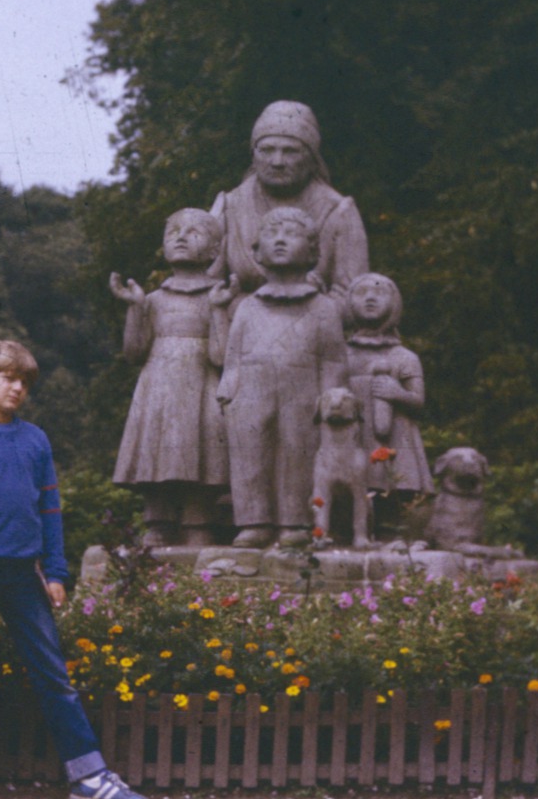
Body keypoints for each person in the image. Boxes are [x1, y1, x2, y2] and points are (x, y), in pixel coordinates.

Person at [0, 339, 151, 799]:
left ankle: (90, 777)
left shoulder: (35, 440)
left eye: (25, 381)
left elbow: (50, 508)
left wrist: (55, 570)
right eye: (8, 378)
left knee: (55, 677)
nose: (18, 388)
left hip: (25, 575)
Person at [216, 207, 349, 549]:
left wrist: (329, 397)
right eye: (272, 234)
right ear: (257, 250)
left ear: (312, 250)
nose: (279, 240)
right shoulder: (247, 306)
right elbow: (233, 353)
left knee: (298, 452)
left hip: (304, 393)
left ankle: (296, 522)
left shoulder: (323, 308)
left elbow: (334, 358)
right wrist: (230, 385)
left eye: (290, 234)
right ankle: (254, 521)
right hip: (250, 390)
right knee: (250, 453)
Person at [109, 207, 232, 547]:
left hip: (202, 386)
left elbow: (221, 356)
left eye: (194, 232)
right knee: (156, 452)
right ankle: (158, 522)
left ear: (214, 250)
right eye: (174, 231)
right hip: (158, 388)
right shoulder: (153, 299)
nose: (180, 236)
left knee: (200, 455)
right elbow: (134, 352)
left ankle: (198, 525)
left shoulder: (219, 296)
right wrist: (135, 308)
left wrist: (220, 310)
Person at [209, 100, 369, 305]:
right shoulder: (230, 207)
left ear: (311, 158)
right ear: (253, 154)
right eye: (266, 150)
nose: (277, 162)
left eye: (290, 151)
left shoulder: (339, 211)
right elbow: (207, 286)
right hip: (238, 327)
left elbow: (354, 298)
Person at [343, 273, 433, 536]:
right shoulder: (342, 355)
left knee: (399, 487)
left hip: (396, 435)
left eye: (379, 293)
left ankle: (396, 534)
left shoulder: (404, 357)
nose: (370, 298)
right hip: (355, 436)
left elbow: (418, 401)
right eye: (361, 293)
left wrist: (397, 393)